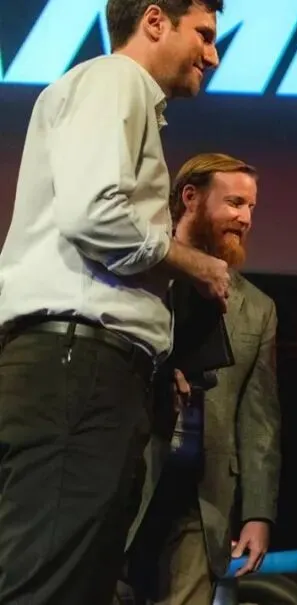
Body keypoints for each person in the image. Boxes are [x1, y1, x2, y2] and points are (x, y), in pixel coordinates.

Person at [0, 1, 228, 603]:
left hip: (83, 370)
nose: (212, 55)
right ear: (154, 20)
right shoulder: (115, 79)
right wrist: (194, 263)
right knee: (49, 585)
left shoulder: (119, 94)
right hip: (78, 370)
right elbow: (95, 217)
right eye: (204, 35)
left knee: (73, 581)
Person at [122, 153, 281, 604]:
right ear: (190, 197)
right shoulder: (140, 276)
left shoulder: (257, 308)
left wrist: (258, 513)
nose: (245, 218)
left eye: (251, 207)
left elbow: (259, 421)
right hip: (127, 477)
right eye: (235, 203)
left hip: (202, 497)